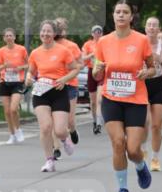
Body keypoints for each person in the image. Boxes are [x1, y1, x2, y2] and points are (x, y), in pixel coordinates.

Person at [92, 0, 154, 192]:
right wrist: (97, 70)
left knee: (133, 149)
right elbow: (95, 73)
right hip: (111, 98)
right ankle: (122, 189)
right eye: (117, 12)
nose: (120, 15)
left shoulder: (142, 40)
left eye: (125, 12)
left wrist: (147, 72)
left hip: (136, 99)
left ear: (131, 17)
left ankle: (140, 165)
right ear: (113, 16)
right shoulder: (103, 42)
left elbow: (153, 68)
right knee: (118, 143)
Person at [25, 20, 82, 173]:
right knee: (45, 127)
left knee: (60, 130)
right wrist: (28, 77)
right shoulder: (35, 53)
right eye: (43, 31)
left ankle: (64, 139)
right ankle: (49, 161)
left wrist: (64, 79)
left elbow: (75, 68)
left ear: (54, 33)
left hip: (58, 91)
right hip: (41, 92)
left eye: (49, 31)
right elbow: (31, 71)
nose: (45, 34)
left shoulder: (63, 51)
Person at [142, 17, 162, 171]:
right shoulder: (139, 43)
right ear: (145, 28)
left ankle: (155, 158)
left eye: (155, 25)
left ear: (158, 29)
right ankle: (143, 149)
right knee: (144, 122)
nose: (152, 28)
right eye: (149, 25)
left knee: (156, 125)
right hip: (142, 85)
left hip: (159, 85)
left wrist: (161, 61)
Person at [0, 27, 28, 144]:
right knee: (7, 111)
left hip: (18, 82)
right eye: (6, 36)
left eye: (10, 35)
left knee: (13, 109)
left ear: (14, 37)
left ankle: (18, 130)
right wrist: (3, 66)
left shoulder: (21, 49)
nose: (9, 37)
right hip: (5, 82)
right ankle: (12, 134)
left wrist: (20, 68)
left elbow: (29, 64)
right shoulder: (1, 51)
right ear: (4, 38)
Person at [54, 18, 83, 147]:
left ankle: (72, 130)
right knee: (55, 119)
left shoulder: (72, 46)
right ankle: (56, 149)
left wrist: (70, 68)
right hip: (53, 86)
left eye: (62, 27)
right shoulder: (48, 45)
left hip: (70, 85)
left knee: (69, 121)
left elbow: (81, 64)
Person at [82, 25, 104, 134]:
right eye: (95, 32)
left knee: (99, 100)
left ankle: (99, 123)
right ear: (92, 33)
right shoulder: (87, 44)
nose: (97, 34)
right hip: (91, 71)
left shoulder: (105, 43)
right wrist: (91, 55)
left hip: (101, 71)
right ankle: (95, 121)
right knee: (93, 101)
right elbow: (82, 58)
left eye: (99, 32)